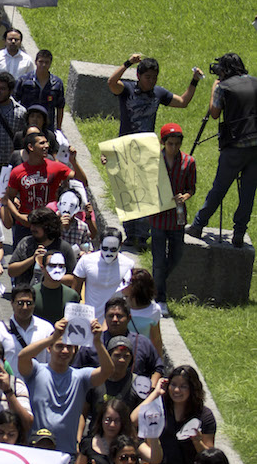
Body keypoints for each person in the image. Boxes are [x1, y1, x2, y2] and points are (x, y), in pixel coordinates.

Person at [107, 55, 203, 247]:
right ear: (138, 75)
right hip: (125, 147)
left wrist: (194, 81)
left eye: (154, 77)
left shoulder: (158, 93)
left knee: (145, 194)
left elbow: (183, 102)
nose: (151, 81)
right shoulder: (126, 90)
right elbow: (111, 82)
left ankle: (142, 236)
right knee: (127, 193)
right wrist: (127, 62)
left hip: (147, 149)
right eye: (148, 77)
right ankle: (129, 234)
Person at [187, 52, 257, 247]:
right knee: (248, 193)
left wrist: (214, 89)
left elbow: (215, 113)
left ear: (225, 70)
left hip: (235, 146)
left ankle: (198, 225)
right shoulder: (255, 82)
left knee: (219, 187)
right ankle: (239, 234)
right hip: (256, 147)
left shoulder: (223, 86)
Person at [18, 316, 113, 456]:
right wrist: (53, 337)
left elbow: (108, 371)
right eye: (59, 346)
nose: (64, 351)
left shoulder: (81, 376)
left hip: (66, 453)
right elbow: (22, 357)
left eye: (69, 347)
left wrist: (98, 342)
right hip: (35, 450)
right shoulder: (36, 371)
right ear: (49, 349)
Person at [132, 368, 216, 464]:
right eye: (174, 385)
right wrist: (156, 393)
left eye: (183, 386)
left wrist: (197, 442)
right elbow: (133, 420)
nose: (177, 390)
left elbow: (210, 456)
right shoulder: (159, 407)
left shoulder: (204, 415)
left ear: (193, 388)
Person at [150, 123, 196, 316]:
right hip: (158, 217)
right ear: (163, 143)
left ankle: (153, 283)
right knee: (159, 260)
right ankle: (160, 297)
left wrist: (185, 196)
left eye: (177, 144)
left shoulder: (188, 162)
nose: (174, 148)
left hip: (177, 218)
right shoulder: (153, 160)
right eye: (170, 144)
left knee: (176, 256)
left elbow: (191, 187)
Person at [74, 296, 163, 388]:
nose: (115, 320)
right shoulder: (92, 343)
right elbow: (76, 371)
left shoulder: (143, 343)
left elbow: (158, 367)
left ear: (129, 318)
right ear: (105, 317)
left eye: (119, 316)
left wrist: (150, 388)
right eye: (111, 316)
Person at [6, 134, 74, 246]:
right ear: (31, 147)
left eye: (47, 142)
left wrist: (73, 160)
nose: (46, 146)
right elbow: (8, 198)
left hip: (50, 226)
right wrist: (18, 216)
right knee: (22, 260)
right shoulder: (17, 172)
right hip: (25, 226)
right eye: (42, 143)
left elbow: (82, 181)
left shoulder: (56, 167)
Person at [71, 230, 134, 321]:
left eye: (113, 249)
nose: (108, 253)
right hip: (91, 321)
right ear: (100, 243)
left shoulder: (129, 264)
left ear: (121, 245)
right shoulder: (86, 261)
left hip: (116, 322)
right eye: (105, 248)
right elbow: (75, 292)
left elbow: (130, 295)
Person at [8, 207, 77, 288]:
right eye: (32, 225)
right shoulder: (26, 243)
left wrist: (51, 276)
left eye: (37, 225)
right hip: (26, 295)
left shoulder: (64, 247)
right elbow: (11, 271)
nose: (33, 228)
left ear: (49, 227)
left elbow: (73, 278)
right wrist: (33, 259)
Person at [0, 284, 54, 373]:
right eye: (20, 303)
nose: (25, 307)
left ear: (34, 304)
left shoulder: (46, 328)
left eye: (29, 303)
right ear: (12, 303)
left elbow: (51, 362)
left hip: (37, 384)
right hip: (9, 384)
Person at [13, 50, 66, 131]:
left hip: (47, 126)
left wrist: (59, 128)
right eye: (41, 62)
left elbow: (60, 107)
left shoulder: (57, 83)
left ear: (50, 64)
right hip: (25, 123)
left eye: (46, 62)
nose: (43, 65)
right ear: (35, 62)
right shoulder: (24, 80)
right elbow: (14, 101)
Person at [32, 249, 81, 325]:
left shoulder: (72, 296)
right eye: (52, 265)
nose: (57, 270)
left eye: (61, 266)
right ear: (43, 268)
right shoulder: (32, 293)